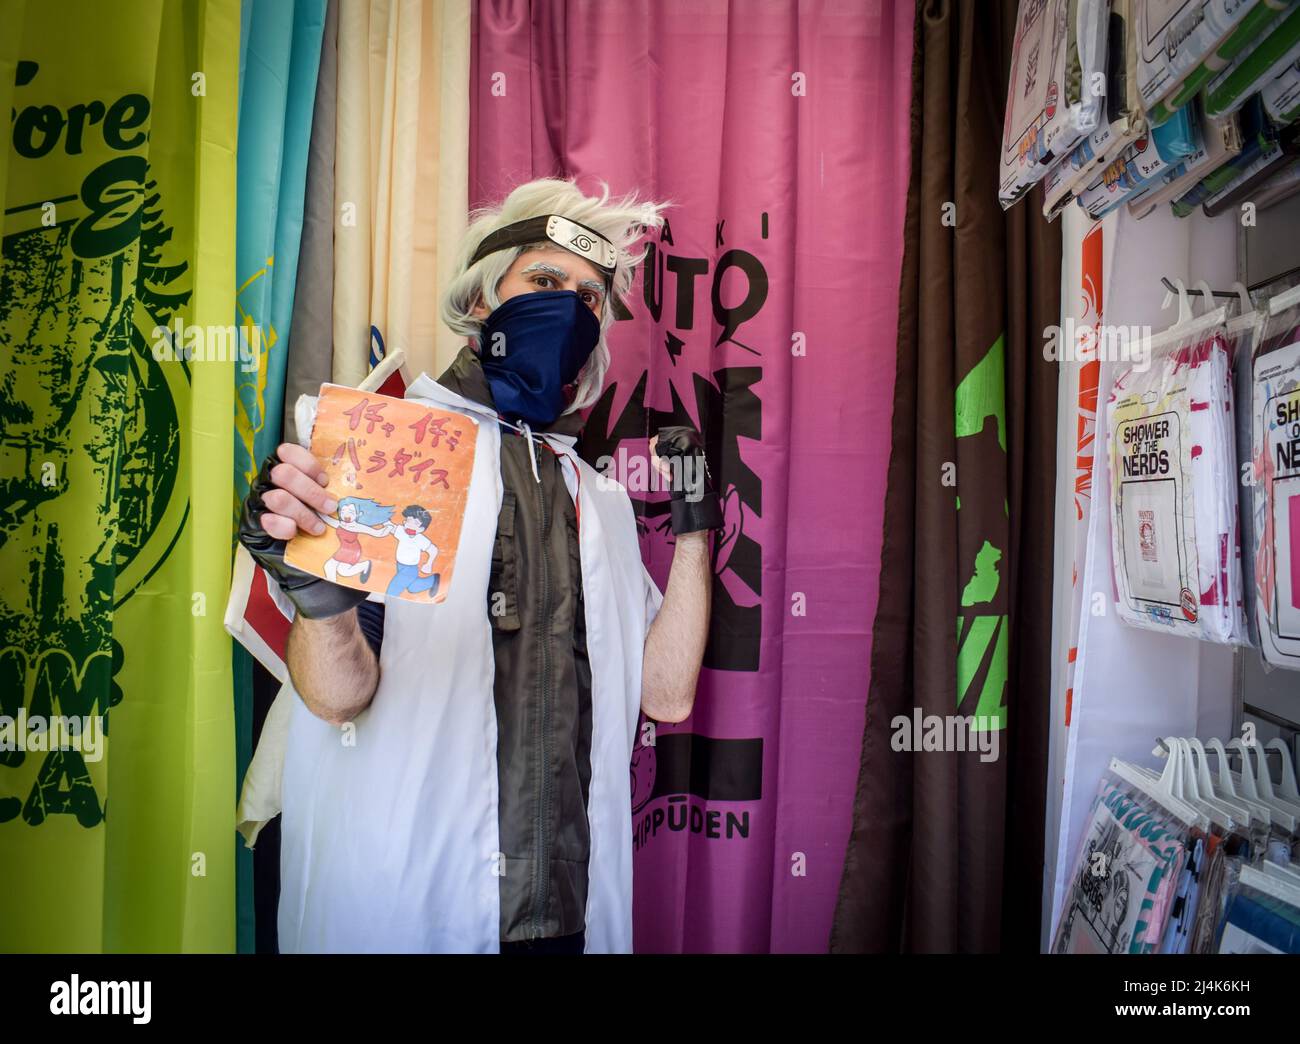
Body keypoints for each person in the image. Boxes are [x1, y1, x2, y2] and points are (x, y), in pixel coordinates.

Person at [237, 177, 720, 954]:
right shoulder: (390, 452)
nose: (569, 306)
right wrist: (318, 599)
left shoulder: (599, 501)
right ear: (484, 298)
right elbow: (336, 700)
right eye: (546, 281)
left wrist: (696, 532)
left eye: (591, 297)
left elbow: (664, 695)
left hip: (570, 915)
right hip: (407, 902)